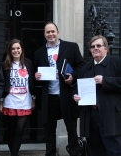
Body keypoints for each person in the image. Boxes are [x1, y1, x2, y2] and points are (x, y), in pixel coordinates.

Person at [34, 21, 85, 156]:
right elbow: (35, 73)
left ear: (58, 32)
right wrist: (36, 76)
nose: (50, 34)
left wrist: (72, 76)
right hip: (49, 97)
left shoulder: (71, 47)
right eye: (47, 32)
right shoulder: (39, 53)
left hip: (67, 95)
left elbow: (81, 66)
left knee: (72, 129)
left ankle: (75, 153)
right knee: (49, 131)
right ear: (44, 34)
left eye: (52, 31)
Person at [73, 35, 121, 156]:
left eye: (99, 46)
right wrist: (75, 96)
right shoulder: (85, 68)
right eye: (93, 46)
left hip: (111, 116)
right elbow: (76, 88)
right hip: (90, 116)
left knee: (114, 150)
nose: (95, 48)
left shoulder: (116, 63)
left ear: (106, 48)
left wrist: (105, 80)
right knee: (94, 150)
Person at [0, 39, 36, 156]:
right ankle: (13, 152)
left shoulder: (28, 63)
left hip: (25, 102)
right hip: (9, 101)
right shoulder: (4, 64)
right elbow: (1, 84)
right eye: (13, 48)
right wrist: (0, 102)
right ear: (10, 51)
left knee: (19, 131)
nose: (16, 51)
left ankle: (14, 154)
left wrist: (34, 99)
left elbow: (32, 83)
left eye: (18, 48)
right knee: (11, 130)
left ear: (21, 50)